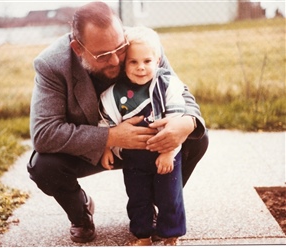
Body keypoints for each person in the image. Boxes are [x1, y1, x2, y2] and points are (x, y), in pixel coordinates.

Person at [27, 1, 208, 244]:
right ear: (78, 48)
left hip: (148, 145)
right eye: (102, 55)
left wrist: (188, 122)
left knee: (196, 138)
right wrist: (110, 137)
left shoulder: (141, 44)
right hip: (93, 150)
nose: (115, 60)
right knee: (43, 166)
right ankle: (81, 214)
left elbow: (178, 90)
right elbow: (44, 133)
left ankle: (155, 203)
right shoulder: (52, 64)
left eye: (120, 48)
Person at [98, 26, 187, 246]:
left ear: (158, 61)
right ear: (124, 64)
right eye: (133, 62)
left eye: (147, 61)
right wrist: (106, 147)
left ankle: (170, 233)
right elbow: (106, 121)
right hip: (133, 157)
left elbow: (176, 118)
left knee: (169, 196)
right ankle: (142, 234)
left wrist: (168, 152)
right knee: (137, 197)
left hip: (165, 152)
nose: (141, 68)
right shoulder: (114, 93)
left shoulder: (166, 84)